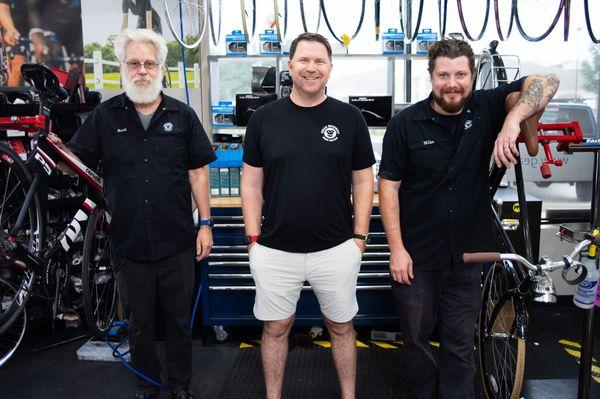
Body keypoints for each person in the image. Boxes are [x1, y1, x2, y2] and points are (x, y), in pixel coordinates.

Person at [378, 38, 559, 399]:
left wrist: (512, 119)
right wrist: (396, 249)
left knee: (460, 343)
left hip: (468, 257)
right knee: (415, 340)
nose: (452, 83)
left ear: (473, 76)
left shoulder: (487, 107)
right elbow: (388, 188)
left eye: (461, 74)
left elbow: (547, 81)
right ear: (431, 77)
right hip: (417, 258)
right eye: (443, 74)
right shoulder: (406, 124)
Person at [50, 29, 215, 399]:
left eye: (149, 63)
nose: (142, 70)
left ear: (161, 68)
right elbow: (77, 164)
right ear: (123, 68)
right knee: (139, 323)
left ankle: (181, 385)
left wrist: (205, 223)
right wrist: (61, 153)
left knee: (177, 322)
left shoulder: (182, 115)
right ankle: (148, 385)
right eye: (134, 63)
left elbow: (198, 171)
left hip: (176, 240)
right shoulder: (105, 116)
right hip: (127, 241)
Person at [240, 32, 375, 399]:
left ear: (330, 68)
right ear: (290, 65)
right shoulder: (264, 119)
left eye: (319, 61)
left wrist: (359, 238)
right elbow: (251, 184)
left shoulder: (350, 118)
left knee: (342, 327)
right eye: (304, 60)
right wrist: (253, 240)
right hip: (275, 250)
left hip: (335, 248)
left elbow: (364, 182)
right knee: (276, 328)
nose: (311, 68)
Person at [0, 0, 42, 86]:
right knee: (19, 67)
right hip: (14, 26)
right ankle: (13, 98)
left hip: (39, 25)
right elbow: (2, 7)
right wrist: (10, 28)